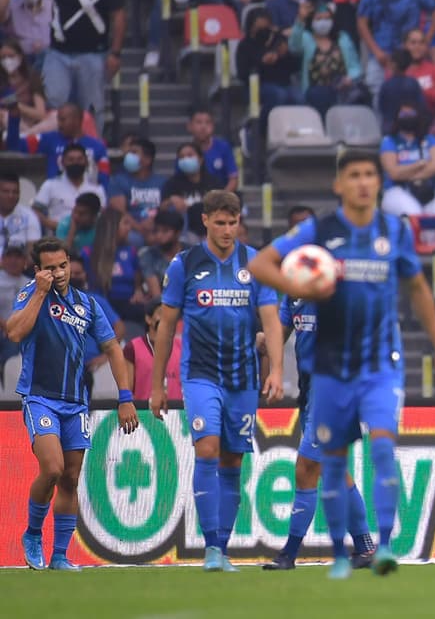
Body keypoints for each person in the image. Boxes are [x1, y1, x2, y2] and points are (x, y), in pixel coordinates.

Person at [250, 149, 435, 578]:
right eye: (354, 175)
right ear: (339, 185)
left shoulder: (393, 231)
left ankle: (381, 546)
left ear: (378, 183)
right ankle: (347, 551)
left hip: (380, 365)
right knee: (327, 464)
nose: (363, 182)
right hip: (326, 373)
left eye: (369, 175)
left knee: (380, 447)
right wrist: (296, 288)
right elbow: (259, 264)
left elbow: (417, 287)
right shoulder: (319, 234)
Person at [149, 191, 284, 571]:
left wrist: (276, 369)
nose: (227, 230)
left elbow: (271, 320)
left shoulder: (255, 263)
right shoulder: (184, 264)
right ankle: (210, 548)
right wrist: (156, 385)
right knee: (206, 448)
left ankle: (222, 549)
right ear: (205, 221)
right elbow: (166, 326)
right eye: (220, 222)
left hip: (242, 378)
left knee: (232, 460)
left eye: (233, 222)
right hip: (201, 375)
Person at [11, 237, 138, 571]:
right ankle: (33, 534)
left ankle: (60, 556)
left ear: (69, 262)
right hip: (40, 398)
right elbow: (14, 333)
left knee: (70, 478)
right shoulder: (30, 294)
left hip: (75, 403)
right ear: (38, 270)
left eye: (63, 265)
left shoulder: (88, 305)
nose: (59, 273)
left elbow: (112, 348)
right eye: (50, 268)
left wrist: (125, 398)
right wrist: (39, 292)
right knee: (51, 468)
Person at [261, 290, 377, 572]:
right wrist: (254, 341)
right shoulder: (293, 296)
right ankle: (365, 548)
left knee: (306, 467)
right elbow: (278, 336)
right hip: (310, 389)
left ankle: (289, 554)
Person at [45, 0, 124, 116]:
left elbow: (119, 16)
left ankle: (92, 142)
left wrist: (115, 53)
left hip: (92, 55)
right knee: (54, 102)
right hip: (58, 53)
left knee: (92, 107)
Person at [356, 0, 435, 90]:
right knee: (377, 94)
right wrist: (376, 51)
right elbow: (362, 22)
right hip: (381, 56)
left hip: (409, 55)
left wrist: (426, 39)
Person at [290, 0, 364, 116]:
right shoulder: (305, 38)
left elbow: (355, 67)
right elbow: (293, 47)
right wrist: (300, 20)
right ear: (312, 21)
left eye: (327, 18)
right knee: (320, 94)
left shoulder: (342, 37)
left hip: (343, 89)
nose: (323, 22)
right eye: (319, 19)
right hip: (315, 91)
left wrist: (350, 78)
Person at [379, 106, 435, 220]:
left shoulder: (430, 139)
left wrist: (405, 173)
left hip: (427, 189)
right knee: (414, 215)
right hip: (396, 190)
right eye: (404, 115)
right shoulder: (389, 141)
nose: (408, 118)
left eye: (411, 114)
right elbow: (393, 173)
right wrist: (418, 165)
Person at [33, 143, 106, 234]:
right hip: (57, 240)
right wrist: (56, 226)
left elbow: (103, 214)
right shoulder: (50, 185)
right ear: (63, 162)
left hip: (88, 240)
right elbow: (35, 211)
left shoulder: (96, 188)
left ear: (86, 162)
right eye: (71, 160)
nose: (75, 163)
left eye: (79, 159)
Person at [187, 108, 238, 193]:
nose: (203, 127)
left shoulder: (223, 147)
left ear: (213, 126)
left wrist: (220, 199)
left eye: (207, 122)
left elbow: (233, 179)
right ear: (189, 126)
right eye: (199, 122)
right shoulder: (185, 151)